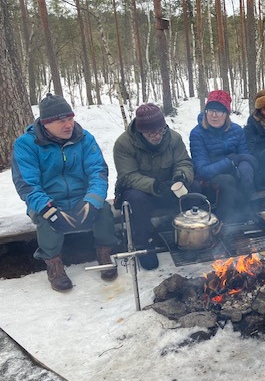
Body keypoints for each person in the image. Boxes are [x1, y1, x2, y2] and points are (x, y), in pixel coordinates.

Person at [11, 93, 119, 291]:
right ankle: (54, 264)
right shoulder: (26, 145)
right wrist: (49, 209)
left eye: (70, 118)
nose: (68, 125)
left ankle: (104, 253)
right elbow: (27, 185)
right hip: (48, 201)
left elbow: (98, 172)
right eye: (61, 121)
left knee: (103, 210)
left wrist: (93, 200)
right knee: (46, 221)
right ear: (46, 123)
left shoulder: (84, 138)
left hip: (81, 198)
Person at [113, 103, 195, 270]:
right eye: (151, 133)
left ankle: (188, 236)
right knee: (136, 198)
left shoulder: (173, 138)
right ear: (140, 131)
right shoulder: (124, 144)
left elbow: (183, 162)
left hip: (169, 186)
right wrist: (156, 186)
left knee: (195, 189)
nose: (157, 136)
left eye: (160, 130)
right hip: (143, 191)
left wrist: (180, 177)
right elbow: (128, 176)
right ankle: (144, 243)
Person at [190, 90, 257, 222]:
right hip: (209, 182)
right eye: (211, 110)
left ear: (227, 114)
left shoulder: (237, 130)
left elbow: (244, 155)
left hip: (235, 174)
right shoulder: (197, 133)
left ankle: (244, 216)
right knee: (227, 181)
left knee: (246, 170)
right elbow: (203, 170)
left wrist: (245, 168)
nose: (214, 115)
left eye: (219, 111)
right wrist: (229, 161)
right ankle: (223, 224)